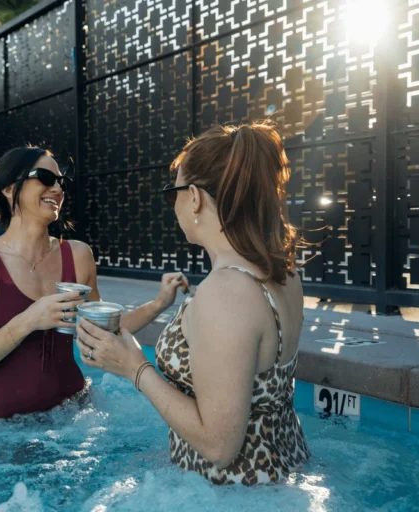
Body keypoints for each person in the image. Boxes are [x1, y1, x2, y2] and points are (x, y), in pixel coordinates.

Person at [75, 122, 311, 485]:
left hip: (230, 496)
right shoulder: (282, 272)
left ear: (196, 197)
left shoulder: (226, 290)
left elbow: (219, 447)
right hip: (280, 475)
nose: (174, 205)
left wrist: (134, 367)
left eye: (174, 194)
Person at [0, 147, 185, 420]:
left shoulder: (78, 255)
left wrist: (160, 303)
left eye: (62, 182)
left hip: (74, 416)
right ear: (10, 189)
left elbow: (104, 331)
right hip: (1, 431)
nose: (58, 188)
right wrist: (28, 320)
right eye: (46, 177)